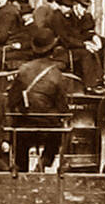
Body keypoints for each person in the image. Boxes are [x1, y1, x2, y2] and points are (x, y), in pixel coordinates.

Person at [9, 27, 71, 172]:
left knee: (19, 133)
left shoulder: (24, 69)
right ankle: (46, 160)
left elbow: (12, 99)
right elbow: (62, 106)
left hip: (25, 123)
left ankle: (20, 167)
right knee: (58, 130)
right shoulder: (56, 74)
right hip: (48, 126)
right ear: (53, 49)